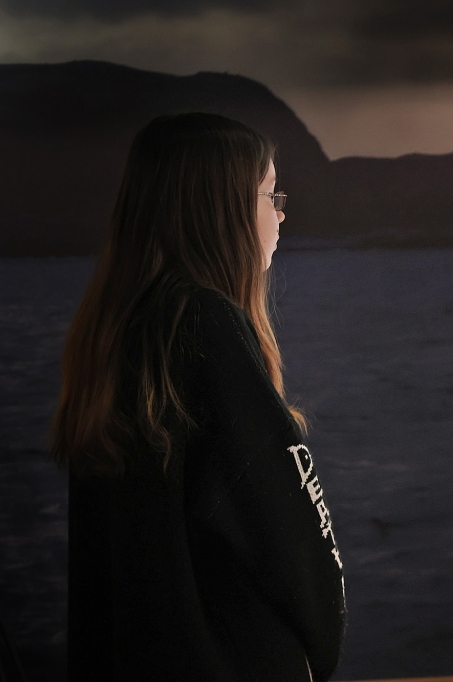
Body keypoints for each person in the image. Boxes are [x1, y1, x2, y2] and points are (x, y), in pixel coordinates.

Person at [52, 113, 345, 681]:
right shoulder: (206, 324)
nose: (282, 213)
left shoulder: (117, 334)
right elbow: (288, 530)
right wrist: (319, 645)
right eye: (270, 194)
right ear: (222, 208)